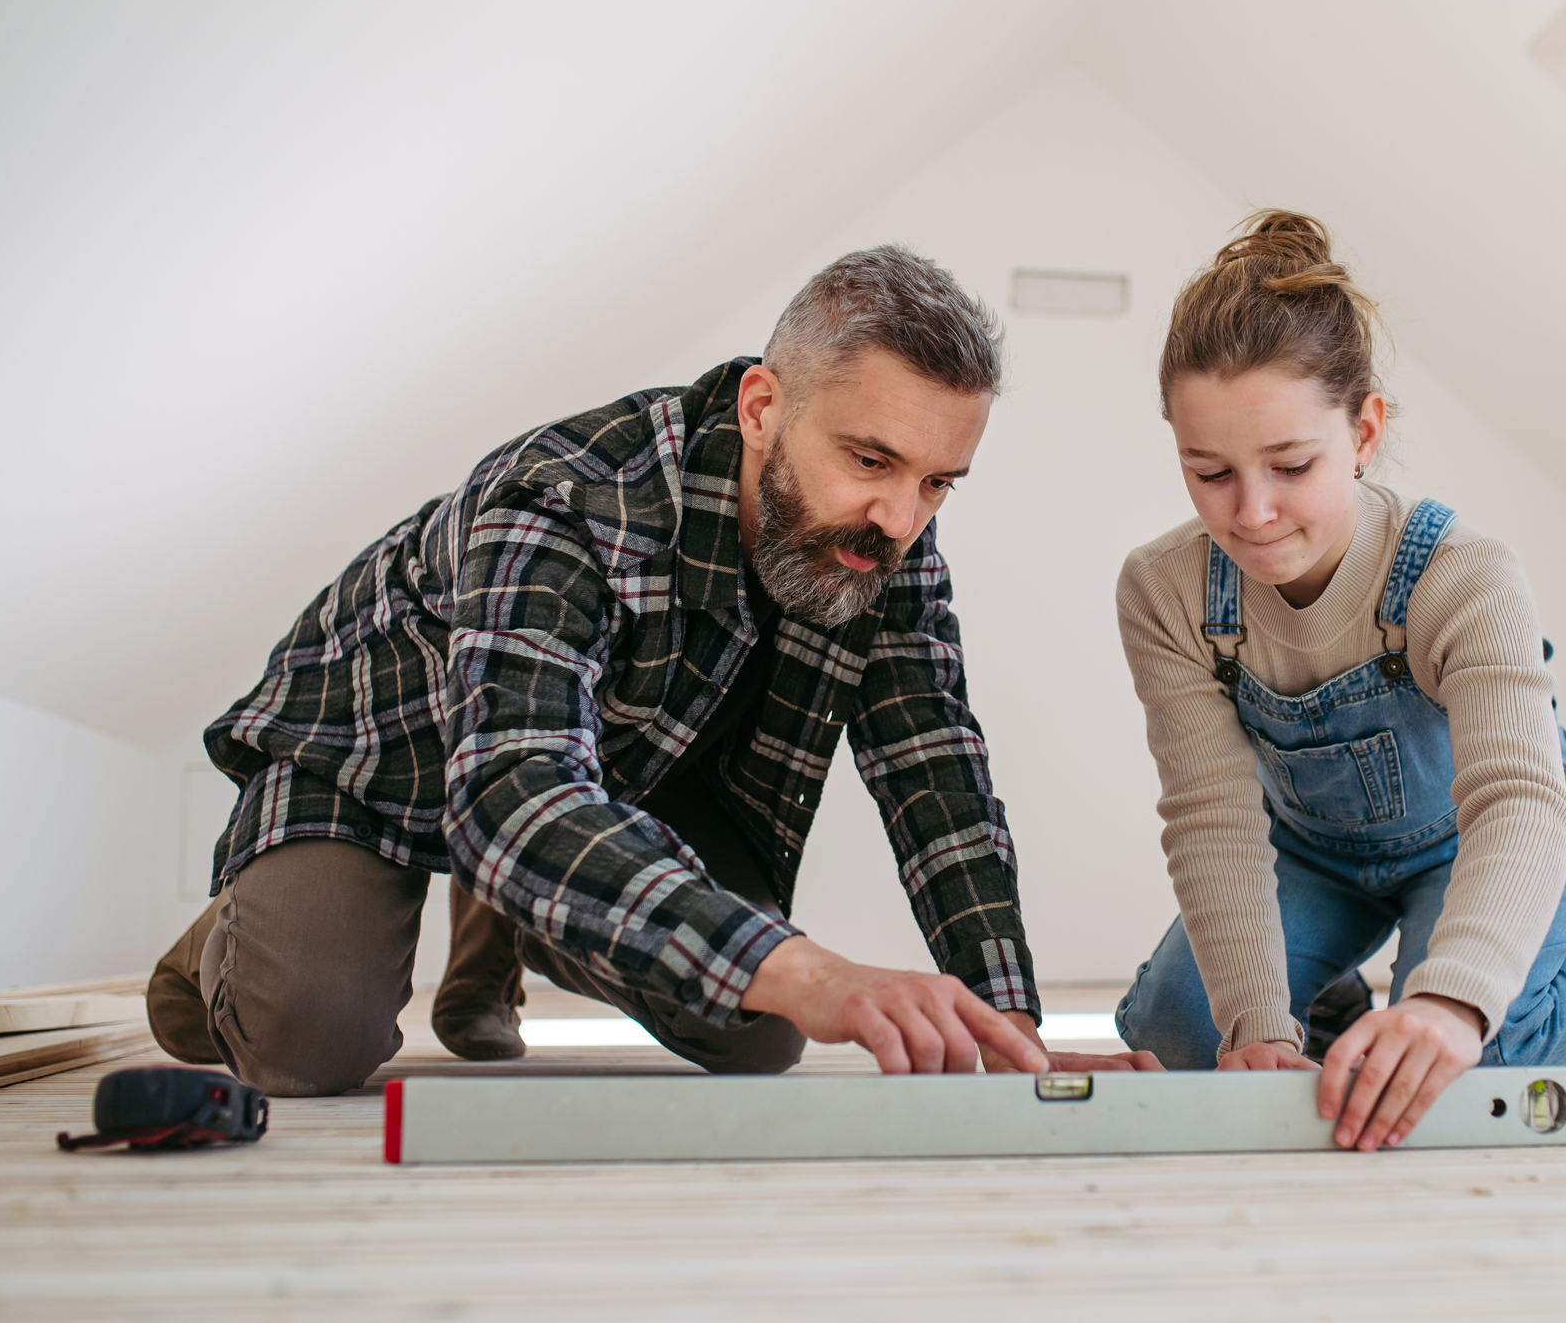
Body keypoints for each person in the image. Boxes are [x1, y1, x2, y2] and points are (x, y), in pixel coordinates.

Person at [147, 244, 1159, 1096]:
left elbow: (937, 777)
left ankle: (508, 911)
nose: (901, 516)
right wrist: (799, 961)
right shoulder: (560, 499)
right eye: (871, 460)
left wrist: (1015, 1032)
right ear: (763, 405)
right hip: (382, 761)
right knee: (307, 1041)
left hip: (587, 775)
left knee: (759, 1031)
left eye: (938, 482)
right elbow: (510, 789)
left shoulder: (887, 542)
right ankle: (225, 948)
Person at [1113, 211, 1566, 1149]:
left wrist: (1452, 1006)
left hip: (1487, 838)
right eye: (1207, 471)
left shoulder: (1460, 571)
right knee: (1179, 1036)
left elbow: (1517, 801)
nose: (1250, 513)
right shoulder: (1163, 590)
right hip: (1314, 854)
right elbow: (1211, 812)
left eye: (1290, 465)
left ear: (1364, 429)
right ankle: (1328, 1010)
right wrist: (1255, 1026)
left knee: (1471, 1066)